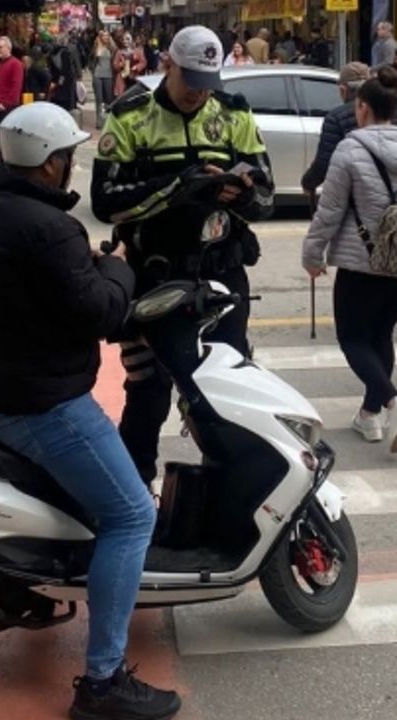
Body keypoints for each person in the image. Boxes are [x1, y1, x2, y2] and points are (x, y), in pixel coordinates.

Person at [0, 102, 181, 720]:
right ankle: (102, 682)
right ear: (51, 163)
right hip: (44, 403)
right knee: (132, 515)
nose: (71, 163)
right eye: (68, 155)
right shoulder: (51, 228)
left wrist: (90, 269)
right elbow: (101, 313)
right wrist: (118, 269)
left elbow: (37, 295)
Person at [92, 25, 274, 483]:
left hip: (221, 274)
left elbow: (266, 198)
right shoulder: (131, 115)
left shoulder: (233, 112)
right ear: (168, 64)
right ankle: (134, 496)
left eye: (207, 83)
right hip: (154, 277)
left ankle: (231, 490)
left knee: (228, 390)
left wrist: (241, 195)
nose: (199, 93)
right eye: (191, 80)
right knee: (148, 392)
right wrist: (180, 185)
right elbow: (105, 202)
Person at [301, 69, 397, 453]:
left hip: (363, 262)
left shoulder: (350, 150)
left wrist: (313, 254)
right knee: (381, 334)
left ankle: (392, 401)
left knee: (353, 338)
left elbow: (330, 211)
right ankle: (370, 416)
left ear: (362, 108)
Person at [301, 63, 397, 201]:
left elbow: (324, 163)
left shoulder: (336, 118)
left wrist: (308, 183)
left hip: (359, 197)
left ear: (343, 90)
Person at [0, 36, 25, 160]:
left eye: (0, 47)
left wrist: (5, 104)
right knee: (0, 140)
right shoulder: (0, 64)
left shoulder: (15, 64)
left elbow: (16, 87)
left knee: (6, 140)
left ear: (8, 48)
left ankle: (7, 164)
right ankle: (3, 162)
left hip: (6, 108)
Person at [89, 30, 118, 128]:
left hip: (109, 75)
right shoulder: (96, 47)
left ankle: (107, 120)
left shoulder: (112, 48)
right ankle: (99, 121)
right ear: (100, 37)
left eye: (107, 36)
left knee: (108, 99)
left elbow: (116, 59)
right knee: (99, 99)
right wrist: (93, 71)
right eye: (104, 36)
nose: (106, 37)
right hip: (97, 75)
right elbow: (91, 60)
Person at [49, 38, 82, 115]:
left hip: (58, 80)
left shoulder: (53, 53)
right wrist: (60, 82)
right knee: (67, 101)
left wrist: (56, 81)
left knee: (59, 100)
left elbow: (53, 69)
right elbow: (65, 69)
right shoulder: (65, 52)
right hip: (66, 81)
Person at [112, 33, 147, 99]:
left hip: (134, 77)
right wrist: (121, 64)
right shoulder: (119, 52)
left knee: (133, 97)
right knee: (122, 97)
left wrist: (136, 67)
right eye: (123, 39)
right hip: (122, 78)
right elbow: (115, 65)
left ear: (131, 40)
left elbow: (143, 62)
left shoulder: (137, 51)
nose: (125, 41)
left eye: (127, 39)